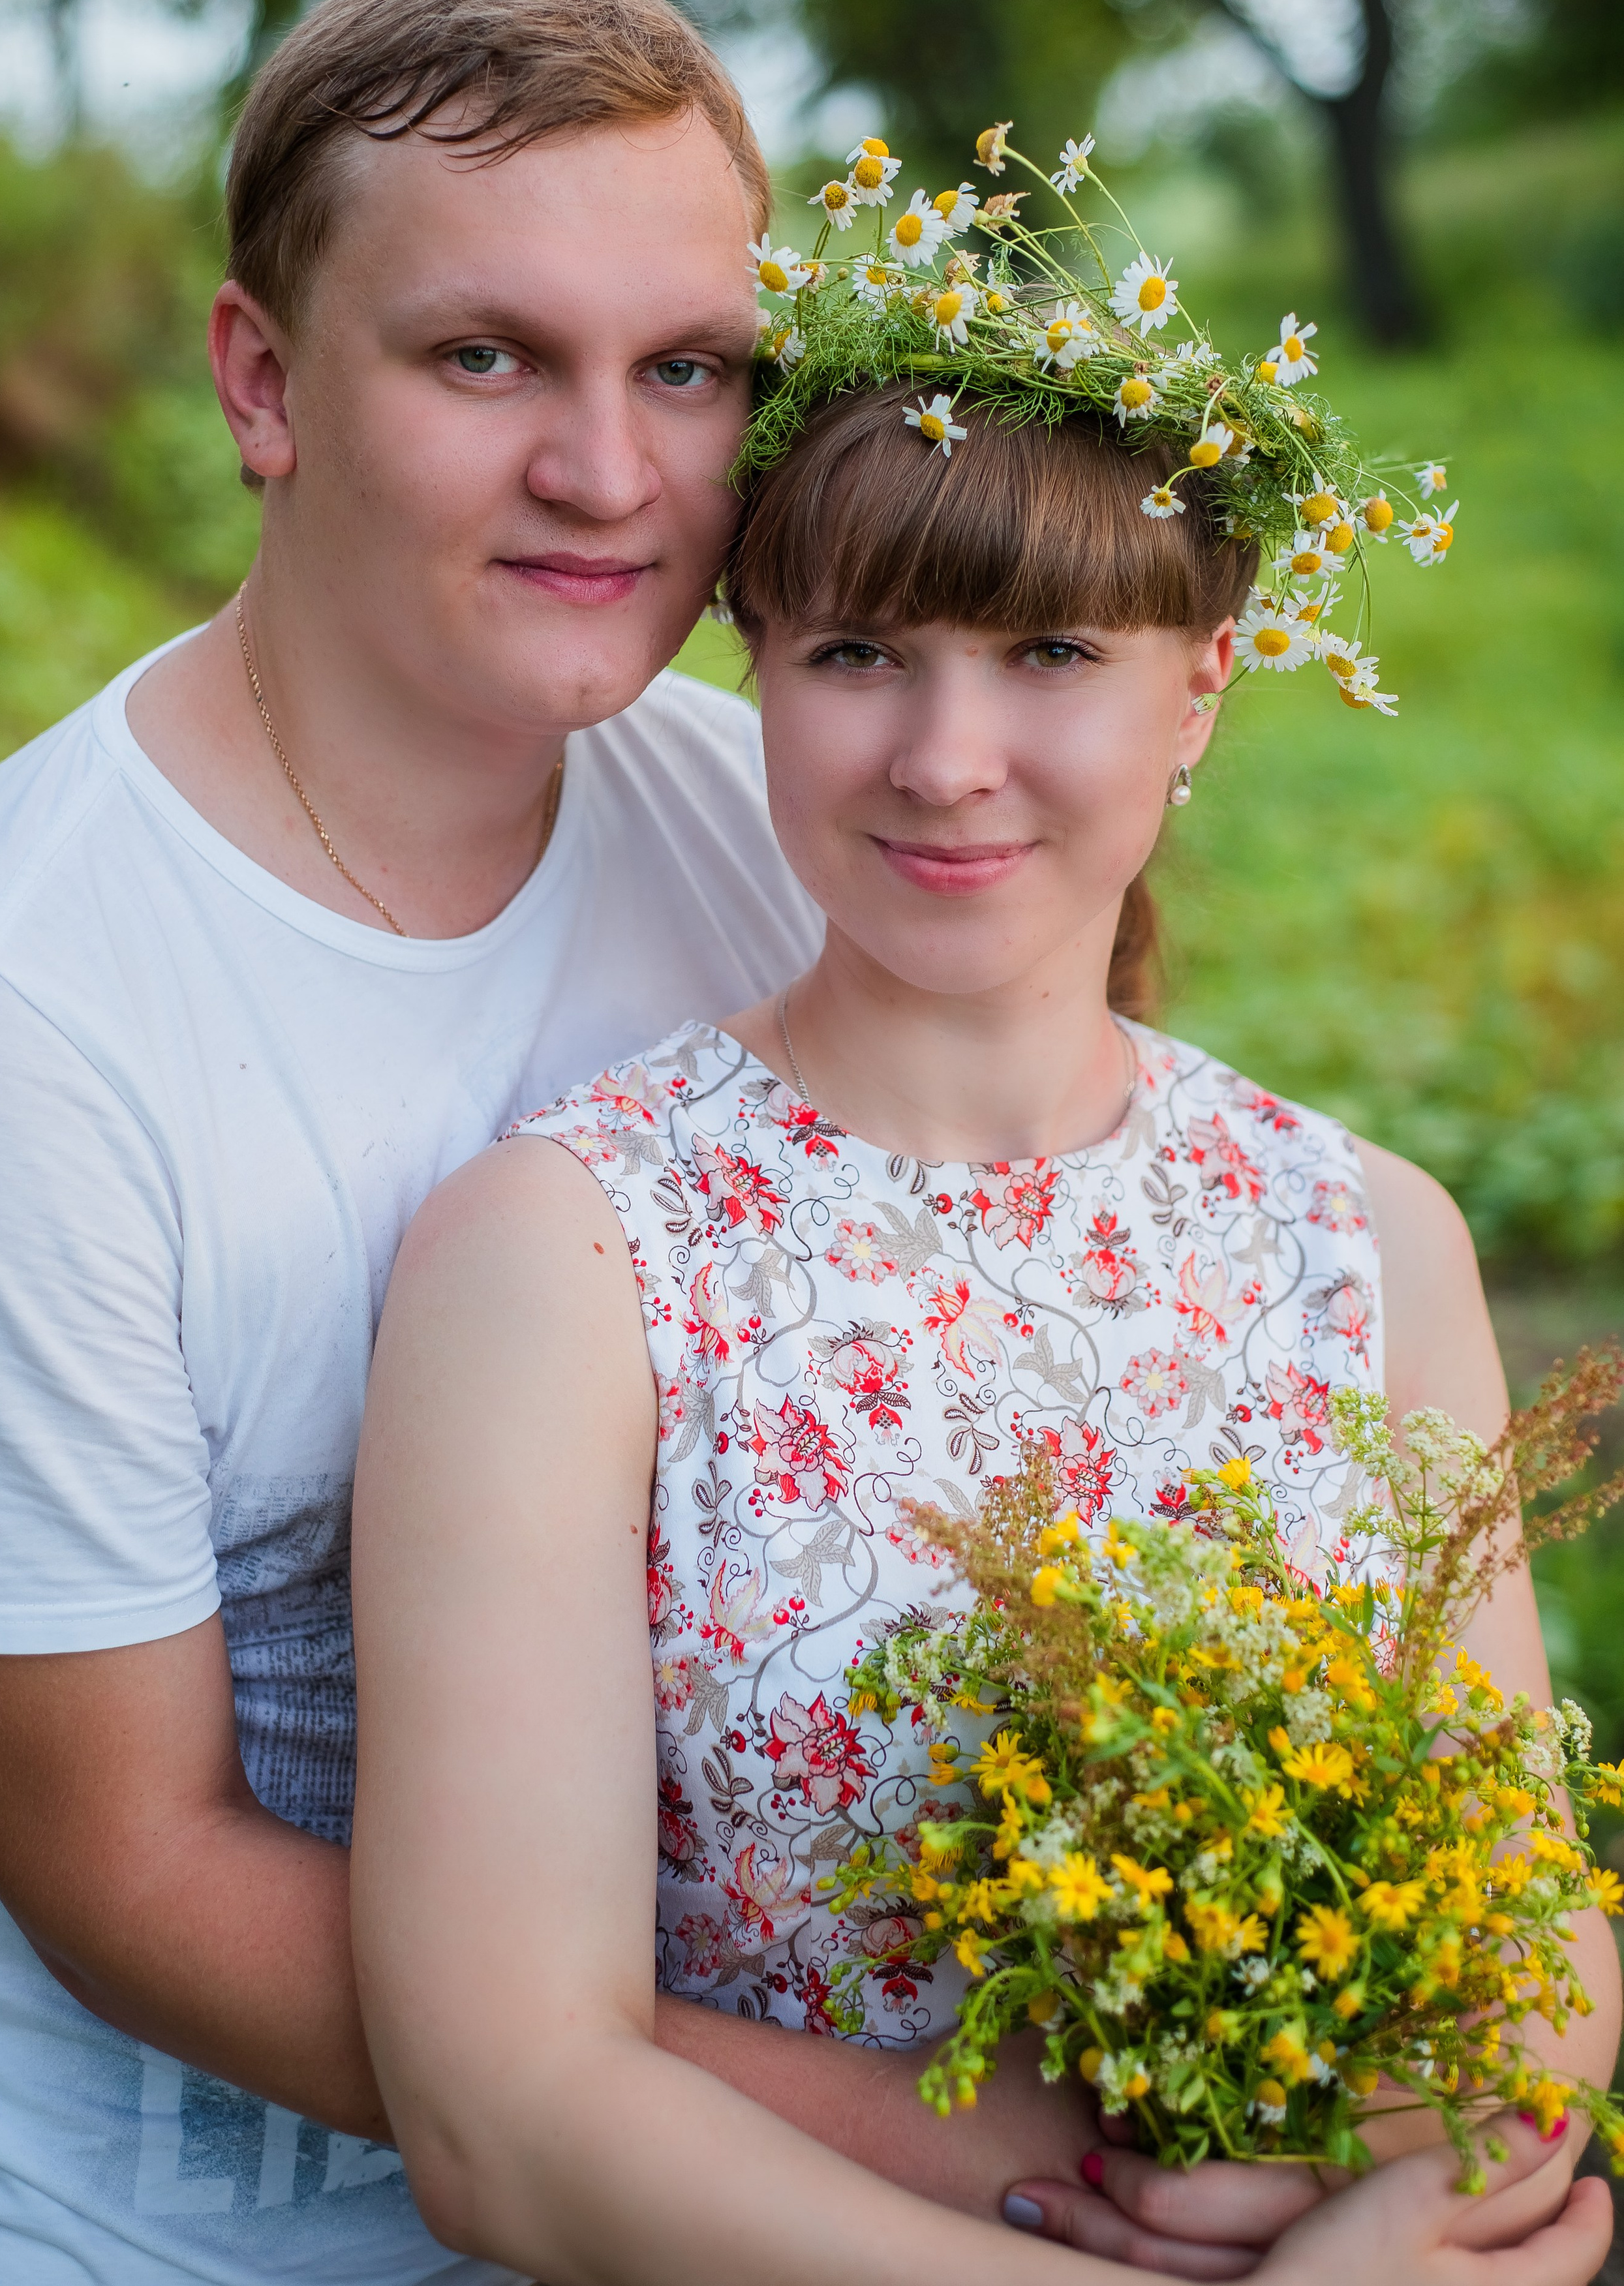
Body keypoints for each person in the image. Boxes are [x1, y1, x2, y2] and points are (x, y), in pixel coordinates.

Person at [0, 0, 1334, 2286]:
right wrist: (1005, 2159)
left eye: (688, 370)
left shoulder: (793, 799)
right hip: (200, 2234)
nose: (609, 473)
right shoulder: (24, 1008)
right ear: (263, 379)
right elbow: (130, 1866)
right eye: (484, 355)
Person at [349, 353, 1621, 2281]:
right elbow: (507, 2114)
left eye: (1047, 652)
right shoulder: (571, 1255)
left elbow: (1530, 1953)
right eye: (860, 652)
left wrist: (1404, 2211)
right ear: (756, 675)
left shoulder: (1362, 1234)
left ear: (1201, 683)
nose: (946, 756)